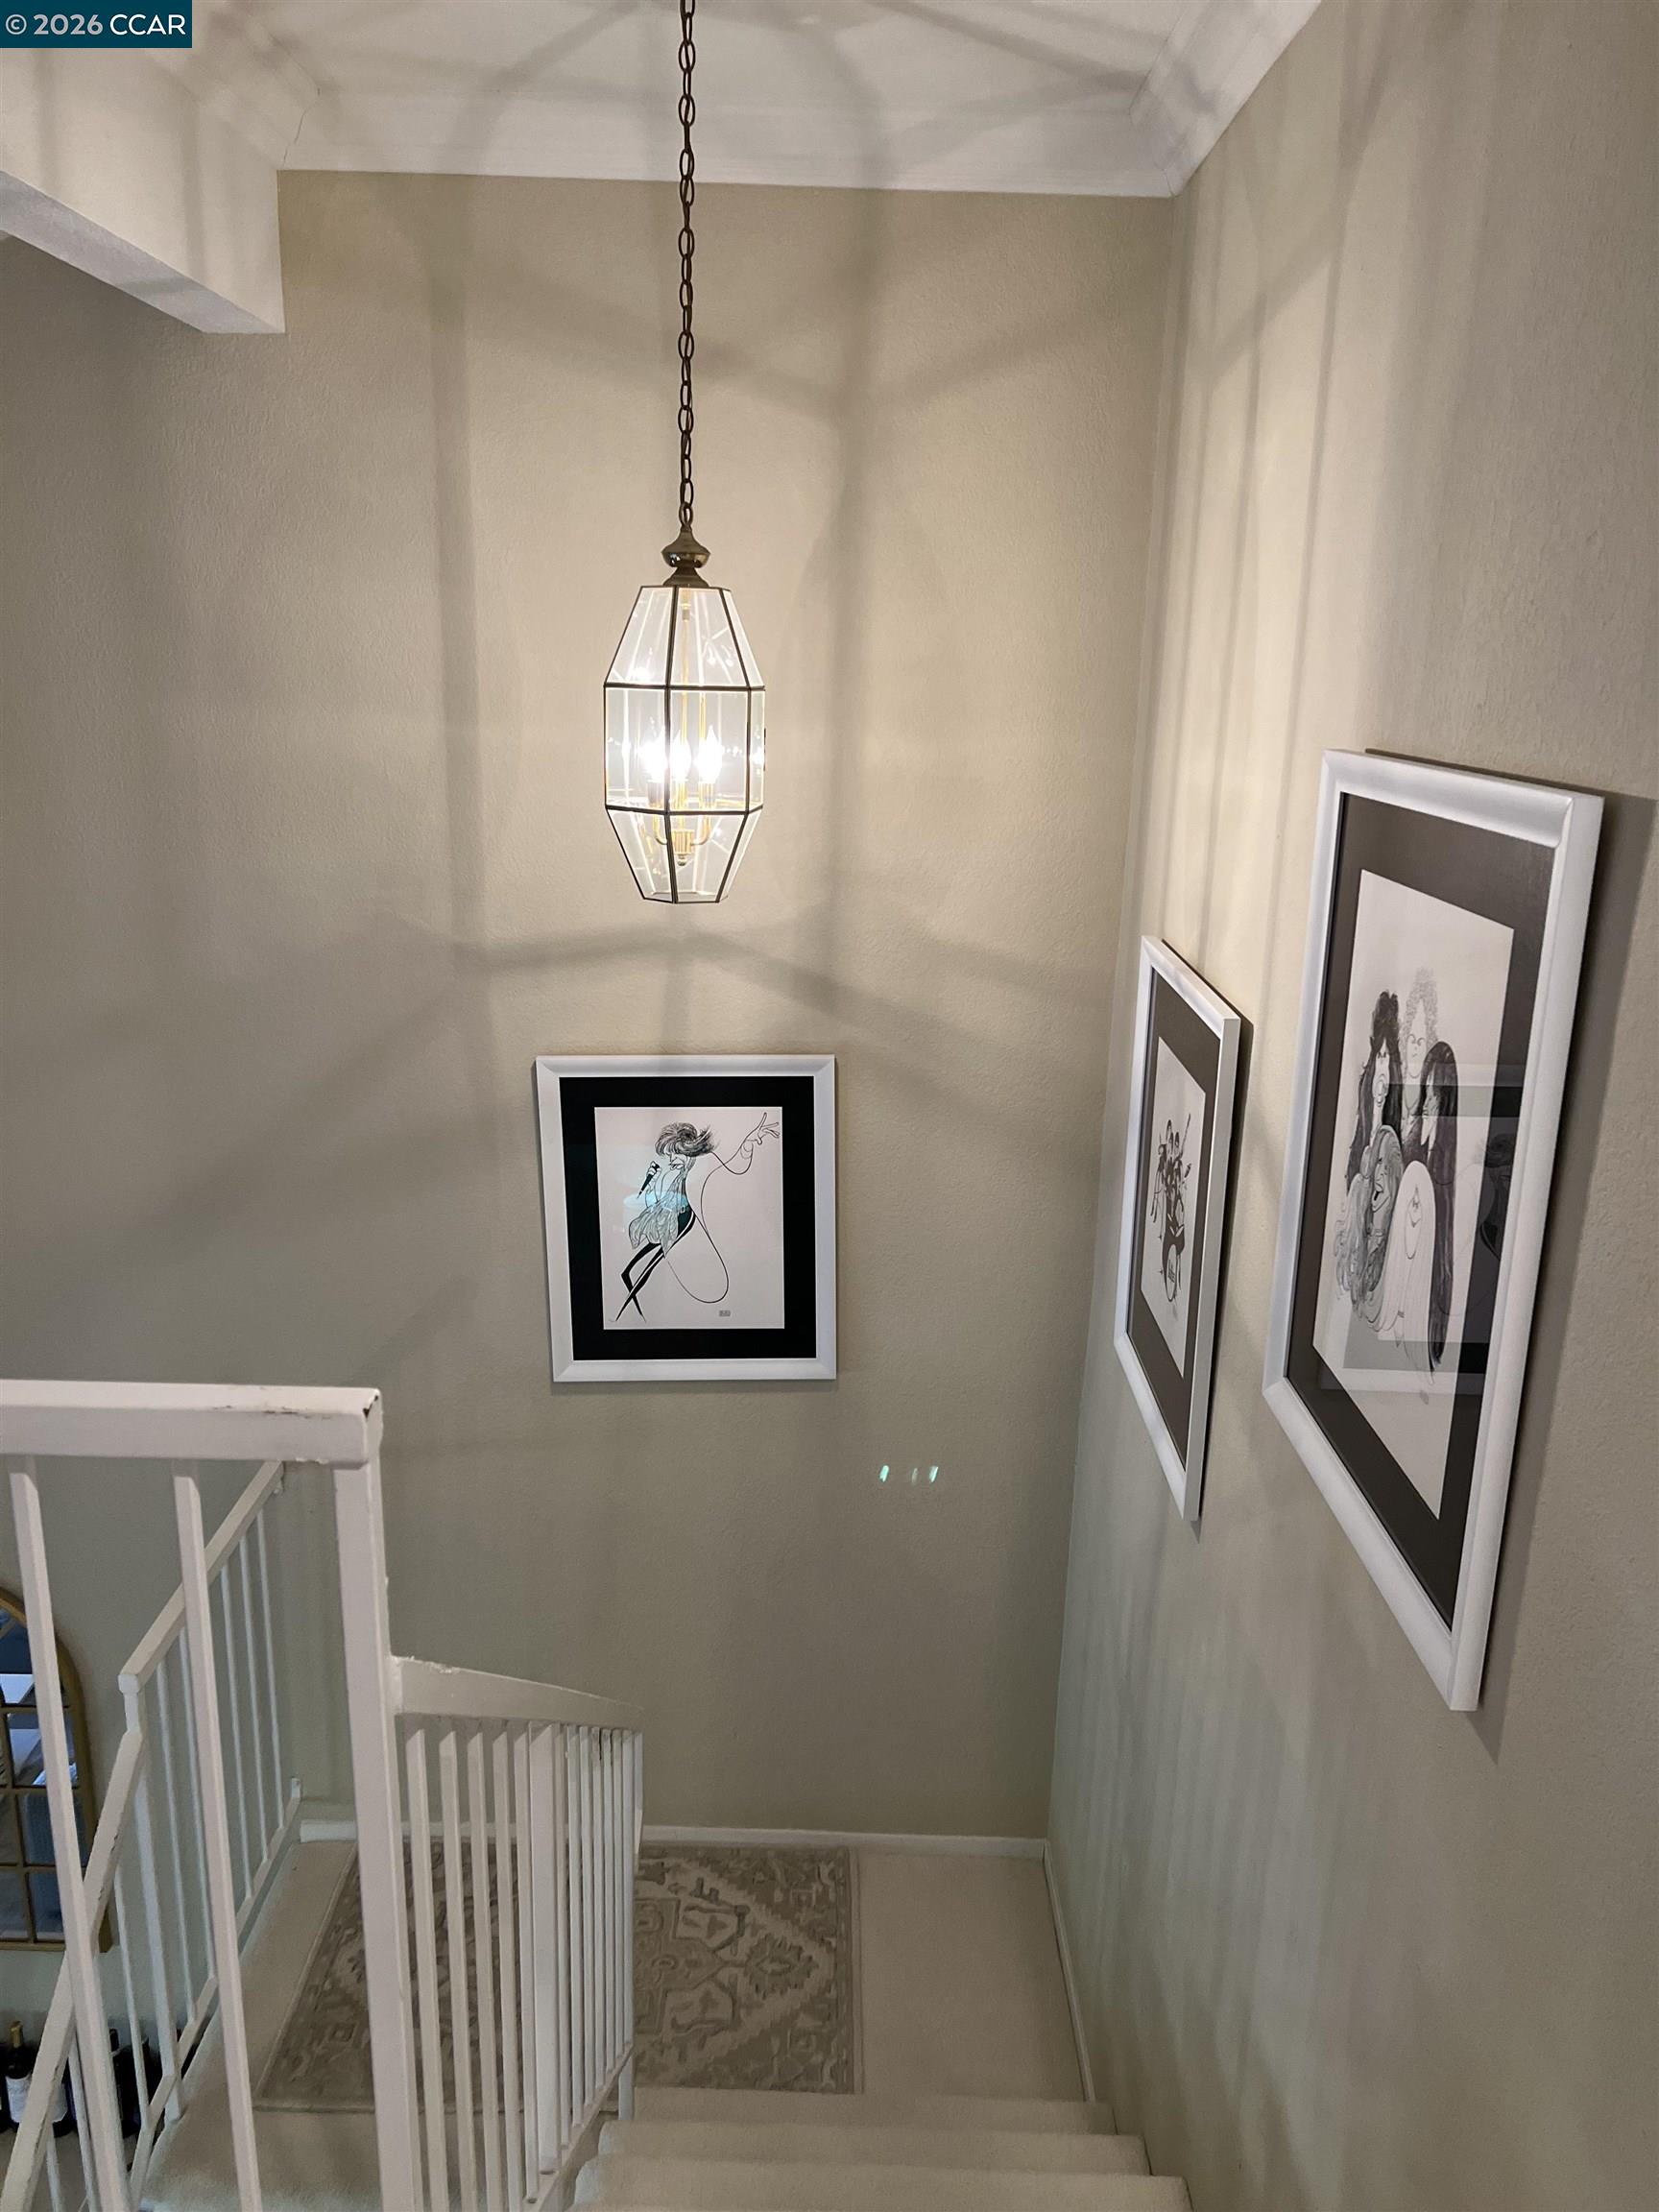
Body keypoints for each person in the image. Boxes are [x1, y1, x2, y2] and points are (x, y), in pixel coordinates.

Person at [1334, 991, 1403, 1301]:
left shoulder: (1392, 1142)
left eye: (1390, 1059)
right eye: (1380, 1058)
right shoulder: (1362, 1126)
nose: (1384, 1072)